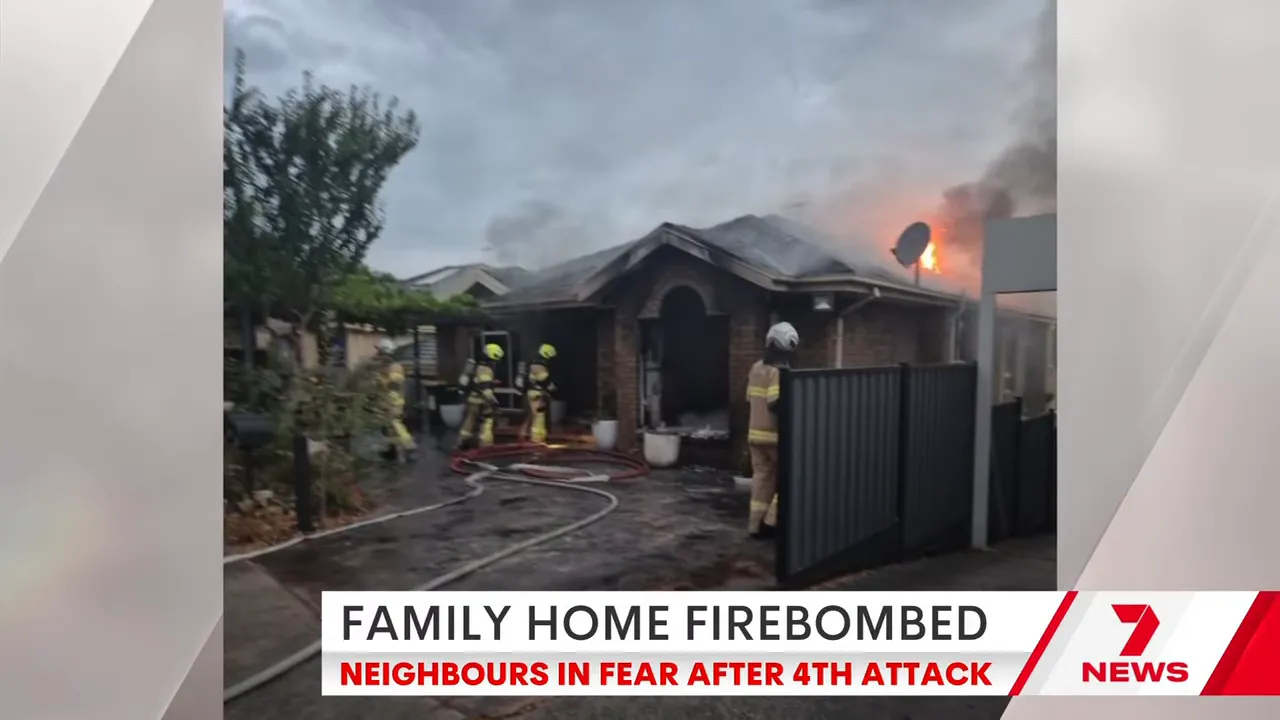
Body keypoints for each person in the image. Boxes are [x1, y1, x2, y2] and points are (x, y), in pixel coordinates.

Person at [745, 321, 799, 539]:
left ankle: (755, 526)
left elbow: (750, 399)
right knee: (789, 477)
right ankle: (771, 521)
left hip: (754, 436)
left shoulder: (755, 368)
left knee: (761, 481)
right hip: (774, 437)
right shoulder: (778, 372)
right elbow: (775, 402)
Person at [375, 339, 417, 463]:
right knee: (388, 428)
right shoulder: (385, 366)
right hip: (387, 401)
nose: (377, 354)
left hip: (392, 402)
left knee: (395, 424)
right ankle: (391, 451)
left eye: (380, 351)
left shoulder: (393, 367)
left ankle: (409, 446)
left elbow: (393, 385)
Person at [456, 342, 503, 451]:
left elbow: (477, 382)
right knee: (488, 420)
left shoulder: (477, 366)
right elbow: (485, 387)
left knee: (469, 422)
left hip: (472, 400)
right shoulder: (486, 369)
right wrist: (494, 401)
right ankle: (486, 444)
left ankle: (462, 442)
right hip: (482, 401)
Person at [515, 343, 558, 444]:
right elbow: (545, 382)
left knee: (532, 416)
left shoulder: (532, 364)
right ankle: (537, 440)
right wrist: (552, 388)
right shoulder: (541, 366)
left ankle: (524, 435)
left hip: (531, 394)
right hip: (537, 395)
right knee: (539, 419)